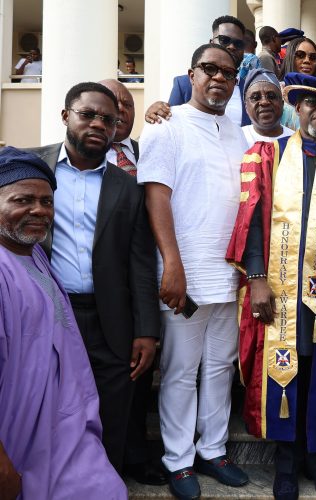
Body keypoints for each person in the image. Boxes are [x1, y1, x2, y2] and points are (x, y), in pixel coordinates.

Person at [226, 72, 316, 500]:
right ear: (297, 108)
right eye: (311, 104)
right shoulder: (268, 156)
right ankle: (286, 464)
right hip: (280, 289)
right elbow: (250, 221)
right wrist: (256, 278)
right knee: (286, 371)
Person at [25, 80, 159, 476]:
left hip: (110, 322)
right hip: (47, 314)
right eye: (88, 115)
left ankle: (104, 483)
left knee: (111, 417)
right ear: (66, 116)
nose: (99, 124)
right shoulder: (31, 167)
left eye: (109, 119)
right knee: (46, 410)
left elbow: (140, 263)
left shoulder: (129, 186)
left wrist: (146, 330)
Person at [137, 43, 250, 500]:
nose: (219, 78)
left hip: (229, 274)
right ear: (191, 74)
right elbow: (156, 196)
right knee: (181, 370)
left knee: (221, 366)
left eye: (228, 72)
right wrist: (172, 264)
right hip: (184, 273)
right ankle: (178, 459)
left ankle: (213, 450)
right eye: (210, 69)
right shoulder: (167, 125)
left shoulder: (239, 133)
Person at [0, 147, 127, 499]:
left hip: (62, 433)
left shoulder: (34, 255)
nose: (39, 210)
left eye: (46, 201)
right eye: (23, 200)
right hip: (16, 439)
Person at [96, 79, 168, 486]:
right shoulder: (78, 157)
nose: (120, 110)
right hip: (96, 287)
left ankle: (137, 454)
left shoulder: (148, 152)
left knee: (140, 375)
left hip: (148, 279)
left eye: (127, 103)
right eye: (112, 103)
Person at [145, 15, 251, 127]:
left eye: (238, 44)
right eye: (224, 40)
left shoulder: (251, 89)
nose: (232, 46)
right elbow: (169, 121)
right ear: (211, 42)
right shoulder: (184, 84)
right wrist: (157, 111)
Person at [241, 68, 294, 145]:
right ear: (246, 107)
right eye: (255, 97)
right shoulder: (238, 138)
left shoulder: (296, 141)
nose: (264, 102)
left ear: (282, 104)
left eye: (271, 96)